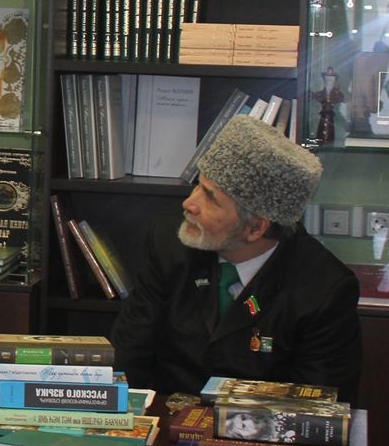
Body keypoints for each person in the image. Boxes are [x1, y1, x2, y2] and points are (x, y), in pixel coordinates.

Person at [111, 115, 362, 404]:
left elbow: (319, 406)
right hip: (168, 418)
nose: (189, 203)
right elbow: (128, 356)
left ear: (256, 228)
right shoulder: (171, 242)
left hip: (255, 429)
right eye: (197, 184)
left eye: (210, 198)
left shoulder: (324, 290)